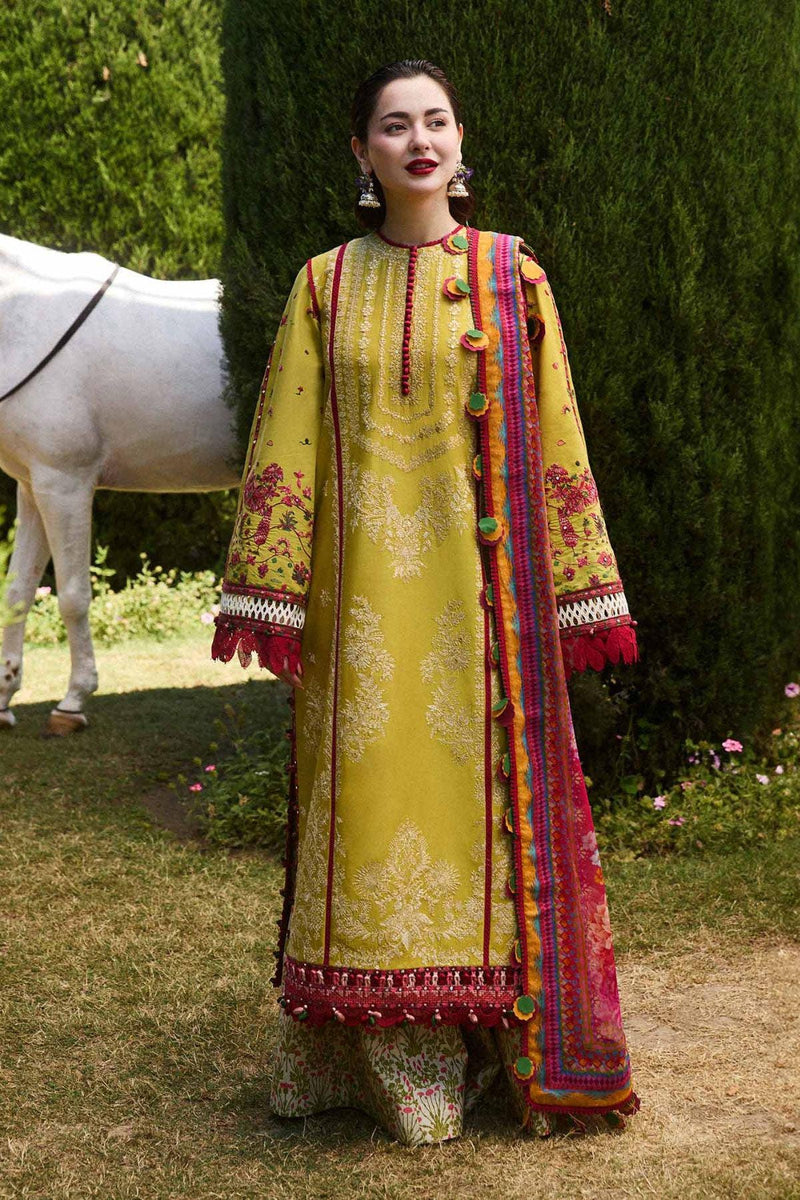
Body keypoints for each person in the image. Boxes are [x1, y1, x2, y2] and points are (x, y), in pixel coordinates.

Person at [212, 59, 640, 1146]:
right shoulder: (320, 286)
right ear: (360, 154)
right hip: (357, 607)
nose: (418, 141)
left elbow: (557, 438)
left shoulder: (511, 277)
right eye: (393, 126)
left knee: (469, 809)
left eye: (435, 121)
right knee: (367, 808)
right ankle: (372, 1056)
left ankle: (489, 1043)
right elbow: (286, 443)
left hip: (479, 612)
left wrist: (582, 585)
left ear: (459, 141)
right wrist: (270, 588)